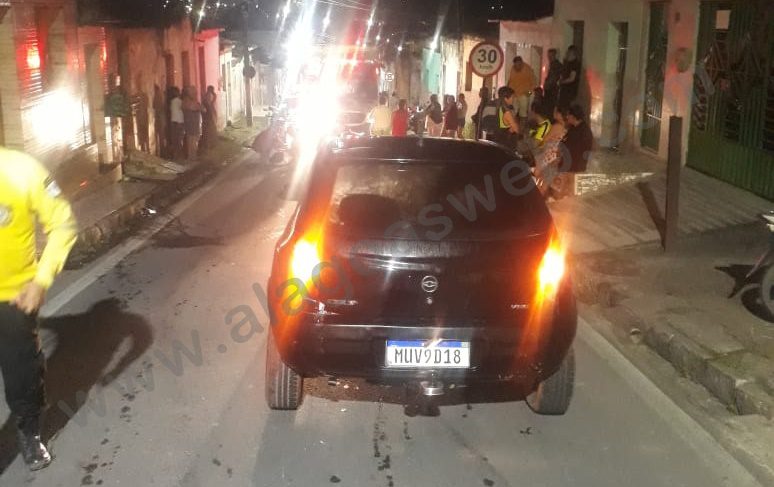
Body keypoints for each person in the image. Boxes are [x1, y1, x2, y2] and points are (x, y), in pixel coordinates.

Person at [0, 147, 77, 471]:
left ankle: (29, 431)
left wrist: (40, 281)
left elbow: (63, 223)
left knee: (22, 374)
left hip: (13, 299)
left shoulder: (22, 170)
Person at [553, 103, 593, 198]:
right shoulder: (573, 128)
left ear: (573, 116)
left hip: (574, 167)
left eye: (568, 115)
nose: (567, 117)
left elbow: (578, 149)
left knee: (568, 192)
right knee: (560, 192)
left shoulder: (584, 131)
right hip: (568, 166)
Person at [507, 56, 536, 126]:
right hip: (514, 95)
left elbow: (533, 84)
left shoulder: (528, 69)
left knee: (523, 114)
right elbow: (510, 81)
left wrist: (527, 95)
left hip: (524, 94)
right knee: (513, 112)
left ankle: (523, 128)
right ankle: (514, 127)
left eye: (519, 64)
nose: (518, 67)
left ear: (522, 63)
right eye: (516, 65)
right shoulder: (512, 69)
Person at [182, 85, 202, 161]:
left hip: (193, 124)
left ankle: (192, 157)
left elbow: (202, 108)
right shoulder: (187, 101)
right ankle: (192, 157)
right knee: (192, 141)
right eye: (194, 92)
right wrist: (198, 107)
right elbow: (197, 108)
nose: (195, 93)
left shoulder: (192, 101)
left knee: (193, 141)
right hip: (191, 124)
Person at [558, 45, 582, 109]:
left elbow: (572, 78)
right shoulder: (568, 63)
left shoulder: (575, 64)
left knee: (565, 108)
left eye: (568, 52)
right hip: (565, 91)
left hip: (569, 92)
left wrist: (561, 82)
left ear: (572, 53)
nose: (567, 54)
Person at [543, 48, 563, 116]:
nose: (549, 57)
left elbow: (554, 78)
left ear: (554, 55)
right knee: (548, 107)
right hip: (550, 89)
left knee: (550, 108)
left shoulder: (557, 65)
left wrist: (547, 85)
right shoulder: (551, 64)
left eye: (551, 56)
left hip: (552, 89)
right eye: (548, 56)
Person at [168, 87, 184, 160]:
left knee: (176, 140)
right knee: (178, 140)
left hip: (175, 122)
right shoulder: (179, 101)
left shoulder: (174, 101)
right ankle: (178, 156)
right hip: (178, 122)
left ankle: (177, 156)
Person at [201, 85, 218, 152]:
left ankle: (211, 146)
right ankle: (207, 147)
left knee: (211, 132)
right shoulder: (205, 101)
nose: (210, 97)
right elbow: (205, 110)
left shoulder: (210, 100)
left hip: (210, 119)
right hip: (207, 120)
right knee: (207, 133)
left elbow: (212, 106)